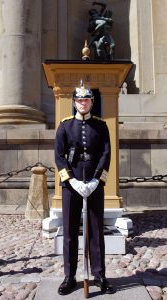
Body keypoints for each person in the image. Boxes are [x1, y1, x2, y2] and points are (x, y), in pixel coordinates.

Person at [55, 81, 114, 295]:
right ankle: (69, 277)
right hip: (72, 186)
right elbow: (59, 157)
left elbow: (106, 154)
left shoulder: (101, 125)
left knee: (96, 231)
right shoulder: (65, 125)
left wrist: (97, 180)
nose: (83, 103)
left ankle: (99, 275)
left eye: (86, 100)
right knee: (70, 231)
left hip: (94, 184)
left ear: (92, 102)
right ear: (74, 102)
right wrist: (72, 181)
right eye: (79, 100)